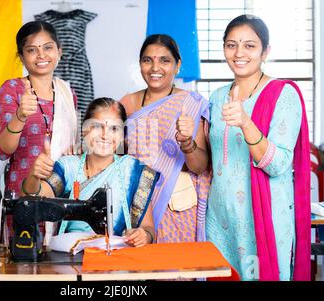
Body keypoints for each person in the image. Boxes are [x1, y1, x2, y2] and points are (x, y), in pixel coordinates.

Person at [205, 14, 310, 281]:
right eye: (231, 44)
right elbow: (211, 162)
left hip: (263, 220)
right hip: (220, 221)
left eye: (249, 45)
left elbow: (277, 165)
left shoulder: (283, 95)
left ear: (266, 51)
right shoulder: (216, 97)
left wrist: (245, 121)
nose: (239, 53)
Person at [22, 98, 159, 247]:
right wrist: (34, 176)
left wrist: (144, 235)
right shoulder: (68, 167)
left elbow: (149, 228)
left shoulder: (132, 170)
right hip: (70, 258)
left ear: (122, 136)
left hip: (117, 259)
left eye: (114, 129)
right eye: (97, 127)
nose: (105, 135)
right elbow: (32, 198)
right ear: (84, 130)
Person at [120, 34, 211, 244]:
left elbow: (200, 167)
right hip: (137, 203)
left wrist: (187, 142)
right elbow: (110, 154)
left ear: (177, 65)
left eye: (165, 60)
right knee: (140, 272)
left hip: (177, 206)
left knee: (177, 271)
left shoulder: (190, 103)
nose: (155, 67)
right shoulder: (127, 103)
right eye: (147, 60)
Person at [0, 21, 78, 240]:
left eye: (48, 47)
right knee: (24, 261)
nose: (41, 55)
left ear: (59, 51)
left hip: (61, 191)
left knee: (59, 264)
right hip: (23, 191)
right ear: (21, 56)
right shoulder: (12, 89)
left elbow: (72, 147)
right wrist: (21, 116)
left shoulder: (68, 94)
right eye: (32, 50)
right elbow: (3, 150)